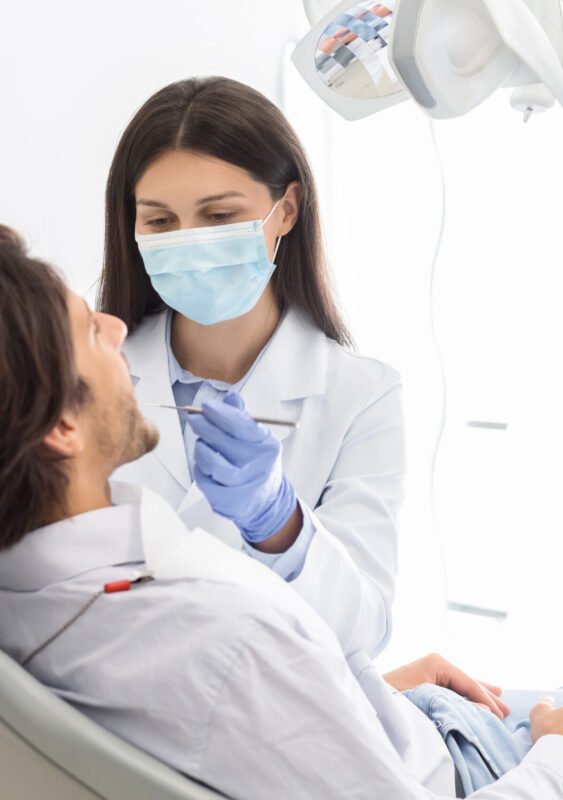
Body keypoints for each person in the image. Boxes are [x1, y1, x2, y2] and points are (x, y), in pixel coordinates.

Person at [2, 228, 563, 799]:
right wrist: (555, 755)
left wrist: (339, 693)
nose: (117, 326)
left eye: (220, 216)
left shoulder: (26, 600)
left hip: (388, 721)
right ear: (63, 426)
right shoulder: (225, 643)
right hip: (472, 771)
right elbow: (237, 683)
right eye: (91, 331)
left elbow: (254, 727)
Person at [98, 76, 406, 660]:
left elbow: (362, 631)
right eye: (161, 222)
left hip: (269, 721)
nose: (190, 242)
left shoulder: (361, 395)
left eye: (219, 216)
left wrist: (278, 523)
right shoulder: (86, 374)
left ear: (285, 210)